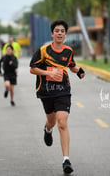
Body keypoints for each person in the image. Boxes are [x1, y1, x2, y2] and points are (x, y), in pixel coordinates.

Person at [30, 19, 85, 174]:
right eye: (57, 31)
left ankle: (66, 160)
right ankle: (47, 129)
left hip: (63, 91)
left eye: (62, 31)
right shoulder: (43, 50)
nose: (60, 33)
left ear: (65, 34)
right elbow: (32, 69)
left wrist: (79, 71)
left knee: (62, 122)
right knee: (52, 121)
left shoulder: (68, 51)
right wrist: (48, 73)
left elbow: (71, 66)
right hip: (46, 92)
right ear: (52, 33)